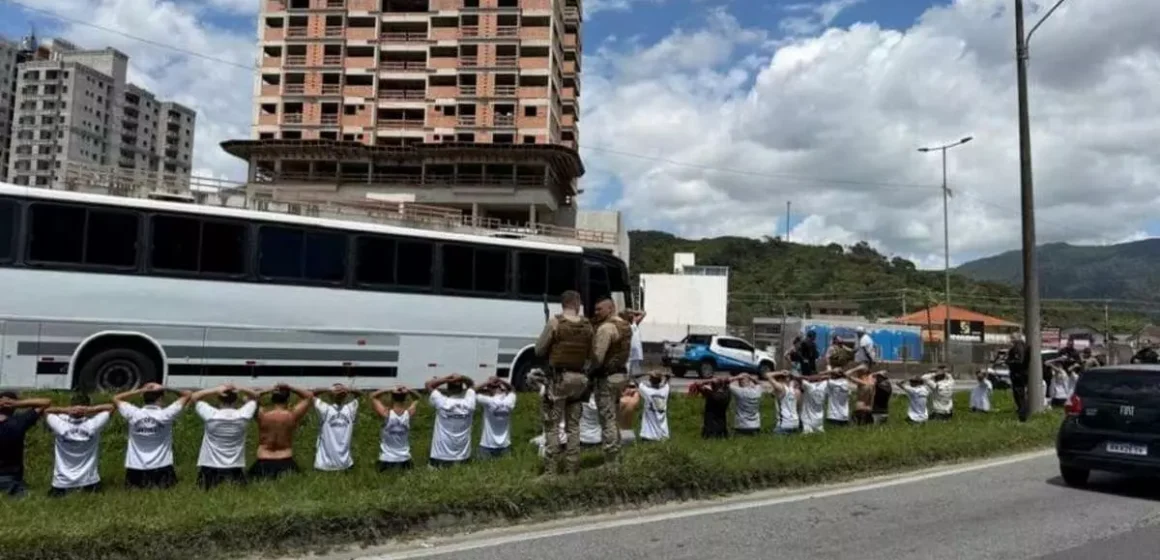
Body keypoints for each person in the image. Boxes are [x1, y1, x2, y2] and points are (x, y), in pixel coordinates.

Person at [533, 289, 593, 475]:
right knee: (573, 427)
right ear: (577, 303)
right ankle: (572, 470)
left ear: (563, 304)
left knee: (552, 425)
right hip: (580, 380)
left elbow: (539, 350)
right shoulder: (587, 325)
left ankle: (551, 472)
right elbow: (592, 354)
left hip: (559, 381)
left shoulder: (555, 323)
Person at [113, 382, 190, 489]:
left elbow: (116, 398)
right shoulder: (166, 414)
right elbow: (187, 395)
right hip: (162, 467)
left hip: (135, 468)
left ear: (143, 397)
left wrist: (140, 390)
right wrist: (165, 387)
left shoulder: (133, 413)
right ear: (161, 397)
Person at [189, 383, 260, 490]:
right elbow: (255, 396)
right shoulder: (244, 414)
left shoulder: (211, 414)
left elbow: (194, 397)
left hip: (209, 467)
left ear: (219, 400)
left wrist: (215, 389)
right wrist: (240, 387)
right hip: (235, 467)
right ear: (236, 400)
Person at [44, 394, 114, 498]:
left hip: (61, 482)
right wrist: (91, 409)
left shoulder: (59, 424)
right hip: (89, 481)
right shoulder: (93, 424)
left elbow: (46, 411)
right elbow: (111, 407)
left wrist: (65, 410)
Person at [591, 297, 633, 463]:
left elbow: (598, 357)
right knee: (614, 418)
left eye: (599, 309)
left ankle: (611, 460)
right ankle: (617, 454)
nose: (596, 313)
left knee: (607, 419)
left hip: (606, 378)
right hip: (621, 375)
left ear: (610, 309)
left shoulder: (606, 328)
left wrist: (589, 372)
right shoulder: (625, 326)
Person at [250, 384, 313, 481]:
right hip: (285, 460)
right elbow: (309, 397)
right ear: (287, 399)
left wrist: (268, 390)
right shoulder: (292, 415)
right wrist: (291, 387)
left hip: (264, 460)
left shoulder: (262, 415)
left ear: (272, 398)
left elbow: (248, 397)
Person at [0, 391, 50, 497]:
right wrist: (17, 403)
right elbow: (46, 402)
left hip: (11, 477)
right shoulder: (20, 421)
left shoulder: (19, 421)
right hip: (11, 478)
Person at [425, 374, 477, 468]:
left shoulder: (442, 401)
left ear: (448, 390)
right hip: (463, 458)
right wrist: (462, 378)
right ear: (462, 389)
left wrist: (447, 378)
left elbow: (428, 385)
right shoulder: (470, 403)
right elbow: (472, 384)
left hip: (440, 457)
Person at [312, 384, 361, 472]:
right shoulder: (350, 409)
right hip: (344, 465)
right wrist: (348, 390)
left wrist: (327, 389)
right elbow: (359, 394)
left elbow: (311, 395)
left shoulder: (325, 409)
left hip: (325, 465)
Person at [370, 386, 419, 471]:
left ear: (392, 397)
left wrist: (388, 389)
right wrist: (408, 390)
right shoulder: (408, 414)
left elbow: (373, 396)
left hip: (386, 460)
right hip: (405, 460)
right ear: (405, 398)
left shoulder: (386, 413)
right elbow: (417, 398)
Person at [476, 377, 516, 459]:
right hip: (505, 445)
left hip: (487, 445)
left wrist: (487, 382)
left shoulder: (488, 401)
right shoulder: (509, 400)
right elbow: (512, 389)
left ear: (490, 390)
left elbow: (473, 391)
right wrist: (500, 380)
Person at [638, 372, 672, 442]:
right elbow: (667, 381)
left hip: (648, 434)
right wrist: (663, 376)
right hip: (663, 435)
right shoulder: (665, 390)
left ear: (650, 380)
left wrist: (646, 373)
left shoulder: (647, 391)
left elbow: (637, 380)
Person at [1006, 332, 1031, 422]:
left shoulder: (1018, 347)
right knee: (1021, 394)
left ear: (1018, 338)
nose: (1011, 339)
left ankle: (1022, 414)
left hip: (1018, 374)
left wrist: (1008, 362)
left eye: (1013, 337)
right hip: (1023, 373)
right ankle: (1023, 412)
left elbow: (1019, 361)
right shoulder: (1024, 346)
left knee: (1019, 395)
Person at [626, 309, 647, 376]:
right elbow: (643, 313)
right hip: (628, 353)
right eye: (634, 316)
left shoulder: (634, 325)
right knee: (627, 370)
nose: (636, 317)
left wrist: (632, 311)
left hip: (635, 353)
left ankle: (632, 383)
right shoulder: (625, 326)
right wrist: (631, 312)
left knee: (635, 373)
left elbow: (643, 313)